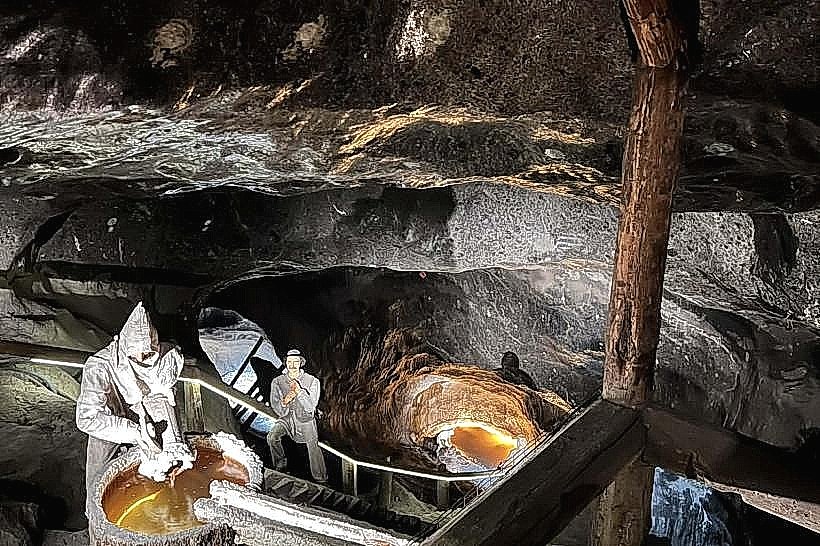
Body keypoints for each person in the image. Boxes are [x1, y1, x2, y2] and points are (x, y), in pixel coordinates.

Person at [76, 302, 191, 538]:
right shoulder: (100, 367)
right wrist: (133, 431)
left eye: (148, 355)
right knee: (99, 488)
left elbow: (164, 400)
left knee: (163, 467)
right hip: (109, 421)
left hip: (149, 411)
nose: (142, 359)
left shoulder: (166, 358)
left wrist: (173, 445)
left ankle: (151, 522)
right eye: (136, 356)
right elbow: (87, 417)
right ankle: (97, 534)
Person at [267, 349, 327, 483]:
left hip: (305, 419)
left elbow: (311, 406)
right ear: (285, 363)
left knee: (312, 445)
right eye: (289, 362)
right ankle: (280, 465)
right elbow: (276, 404)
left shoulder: (313, 381)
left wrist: (299, 392)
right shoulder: (277, 381)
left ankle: (320, 477)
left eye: (295, 362)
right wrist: (285, 402)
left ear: (301, 363)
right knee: (272, 437)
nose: (292, 365)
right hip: (287, 418)